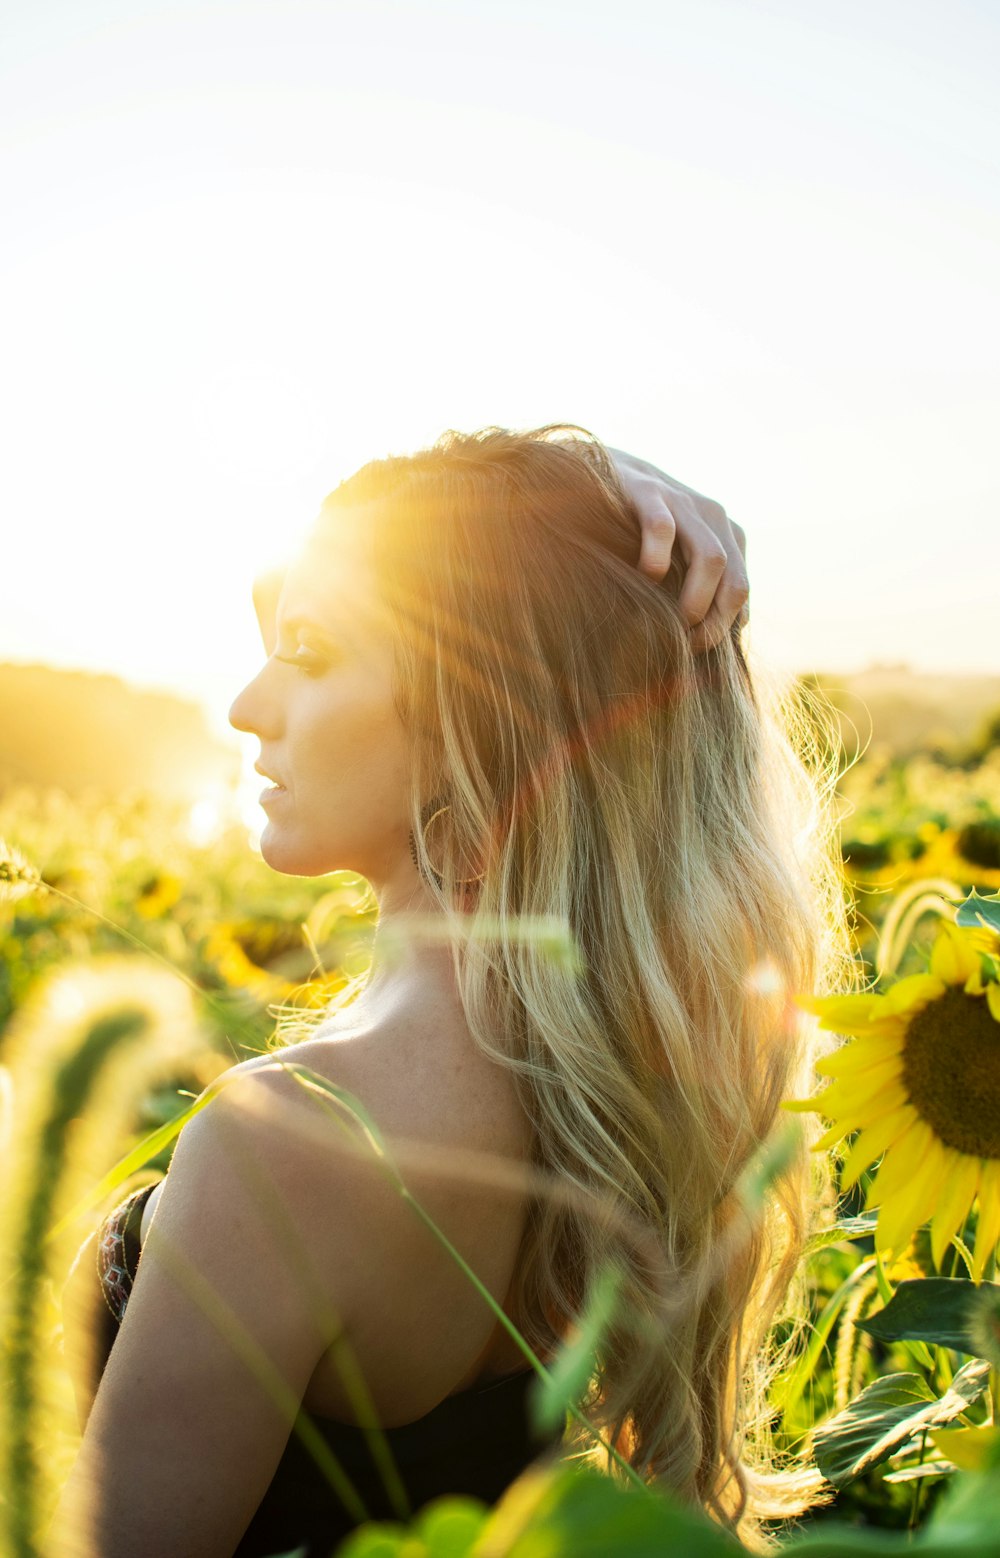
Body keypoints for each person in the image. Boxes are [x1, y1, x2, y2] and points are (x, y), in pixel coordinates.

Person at [54, 426, 845, 1557]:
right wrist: (588, 493)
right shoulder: (611, 1092)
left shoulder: (286, 1139)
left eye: (310, 653)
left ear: (483, 714)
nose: (245, 704)